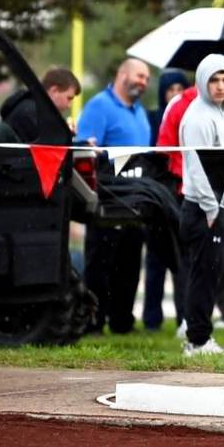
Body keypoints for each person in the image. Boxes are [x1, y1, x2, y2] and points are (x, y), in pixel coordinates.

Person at [77, 58, 151, 334]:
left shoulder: (139, 111)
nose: (143, 82)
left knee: (130, 264)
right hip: (106, 201)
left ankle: (122, 321)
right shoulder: (99, 106)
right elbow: (85, 149)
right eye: (140, 76)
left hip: (134, 201)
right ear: (122, 74)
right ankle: (93, 322)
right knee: (100, 264)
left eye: (146, 78)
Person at [179, 54, 224, 356]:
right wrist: (212, 210)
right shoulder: (199, 116)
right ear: (203, 81)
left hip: (218, 209)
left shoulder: (219, 112)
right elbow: (197, 169)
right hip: (204, 210)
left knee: (210, 275)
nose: (220, 86)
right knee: (202, 277)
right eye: (214, 80)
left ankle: (199, 337)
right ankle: (197, 340)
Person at [142, 69, 190, 332]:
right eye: (169, 90)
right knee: (155, 262)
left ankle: (184, 316)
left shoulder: (189, 114)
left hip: (179, 194)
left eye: (178, 89)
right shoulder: (152, 118)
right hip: (157, 195)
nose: (174, 95)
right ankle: (152, 319)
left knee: (181, 261)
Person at [0, 67, 82, 141]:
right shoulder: (31, 113)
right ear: (54, 90)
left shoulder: (31, 108)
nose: (69, 105)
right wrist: (65, 133)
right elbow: (49, 149)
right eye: (69, 98)